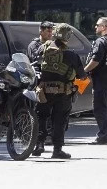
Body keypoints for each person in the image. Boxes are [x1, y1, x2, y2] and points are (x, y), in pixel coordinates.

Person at [35, 24, 86, 160]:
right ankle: (57, 150)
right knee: (59, 120)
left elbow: (34, 64)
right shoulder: (71, 55)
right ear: (68, 38)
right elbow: (82, 76)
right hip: (63, 93)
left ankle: (39, 144)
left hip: (44, 91)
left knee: (41, 117)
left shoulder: (43, 49)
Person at [85, 17, 107, 144]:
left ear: (104, 27)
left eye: (97, 25)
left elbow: (96, 60)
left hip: (101, 79)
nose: (95, 27)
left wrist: (85, 70)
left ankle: (103, 136)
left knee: (99, 108)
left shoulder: (100, 41)